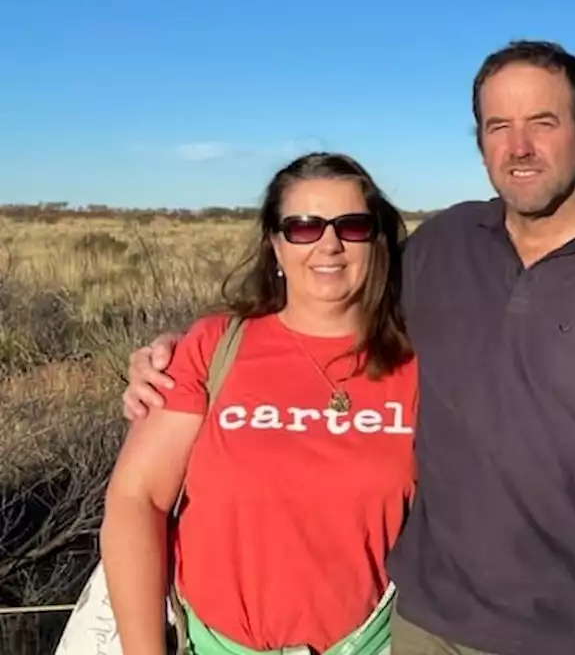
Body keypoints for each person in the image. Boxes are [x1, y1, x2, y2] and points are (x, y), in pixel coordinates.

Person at [121, 40, 575, 655]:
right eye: (498, 126)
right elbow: (332, 302)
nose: (519, 147)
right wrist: (176, 354)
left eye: (543, 122)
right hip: (424, 629)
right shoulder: (443, 246)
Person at [102, 152, 417, 655]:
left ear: (376, 239)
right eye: (304, 227)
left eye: (352, 226)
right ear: (274, 243)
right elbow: (137, 500)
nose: (329, 245)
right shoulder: (213, 348)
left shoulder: (418, 365)